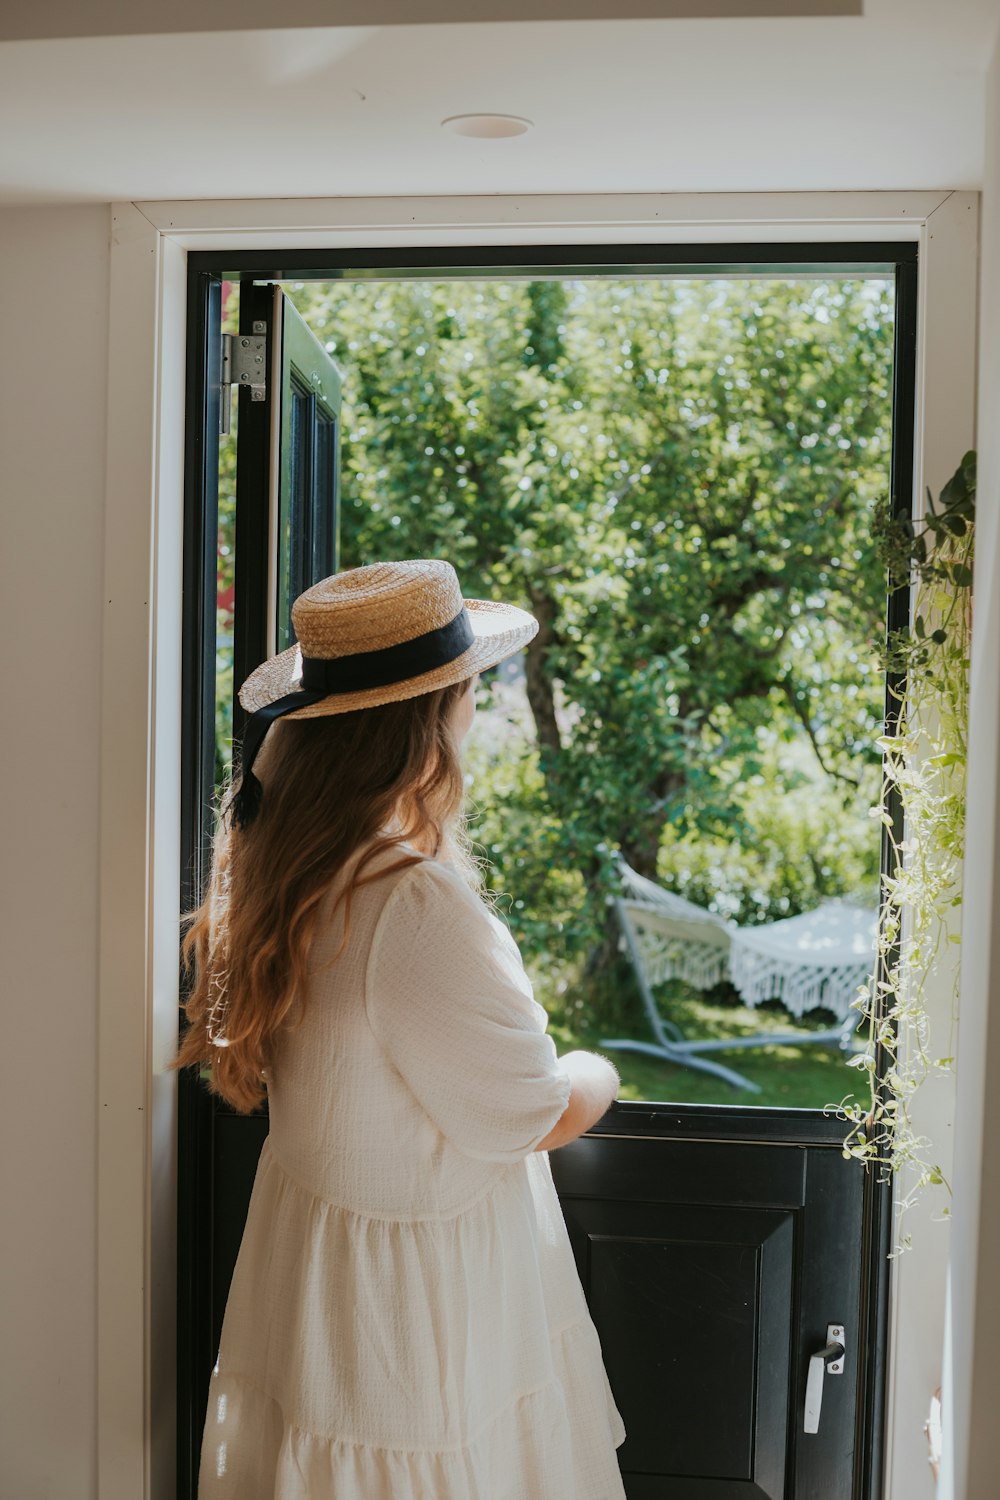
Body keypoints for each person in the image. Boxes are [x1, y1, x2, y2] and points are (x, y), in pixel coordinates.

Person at [175, 558, 626, 1499]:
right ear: (433, 719)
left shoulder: (288, 874)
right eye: (466, 693)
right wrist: (598, 1070)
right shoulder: (412, 908)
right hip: (408, 1323)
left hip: (319, 1292)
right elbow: (531, 1111)